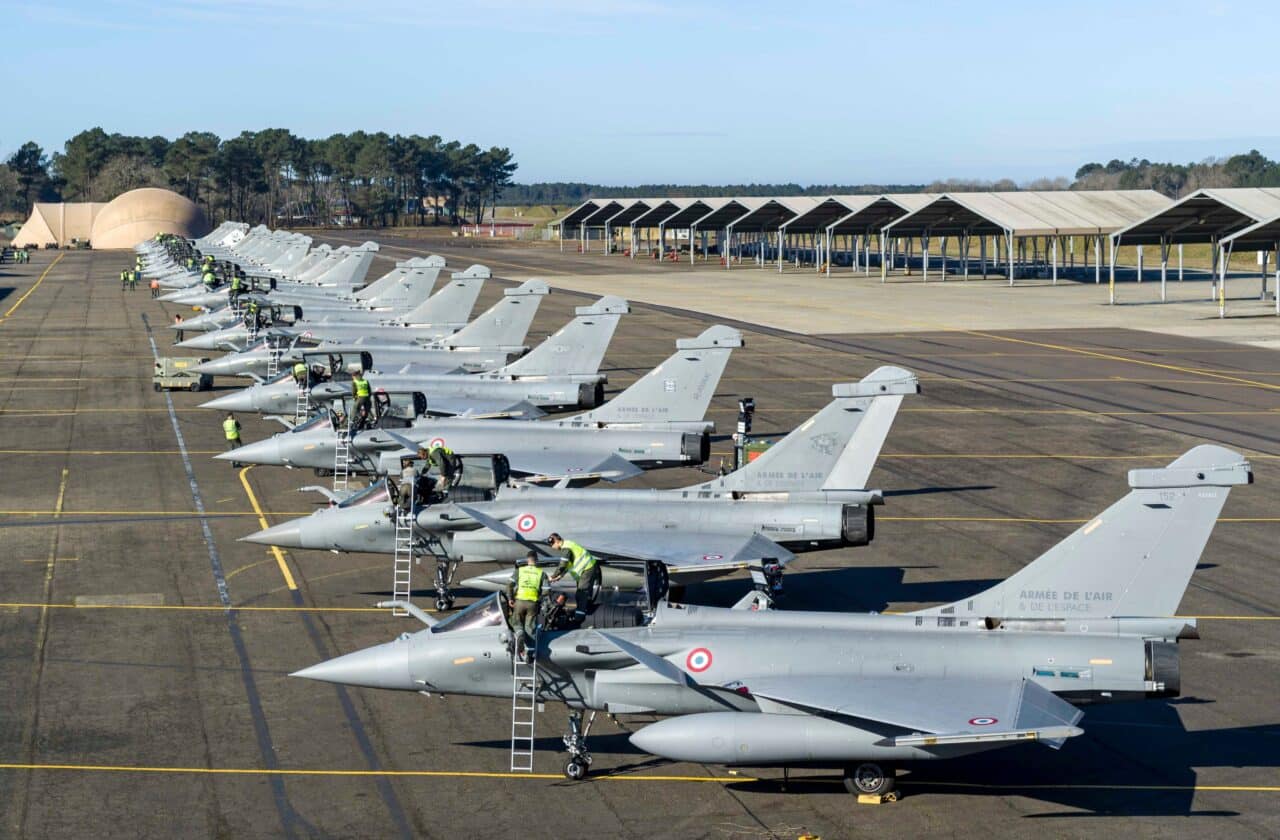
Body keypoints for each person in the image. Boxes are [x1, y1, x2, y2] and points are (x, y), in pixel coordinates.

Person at [547, 533, 600, 621]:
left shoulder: (566, 549)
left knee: (581, 593)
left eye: (551, 544)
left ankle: (579, 617)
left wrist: (553, 576)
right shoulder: (568, 545)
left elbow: (563, 565)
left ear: (556, 541)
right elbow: (569, 565)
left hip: (587, 568)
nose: (552, 547)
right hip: (585, 570)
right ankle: (586, 608)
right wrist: (559, 576)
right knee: (584, 593)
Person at [506, 551, 546, 663]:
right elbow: (547, 590)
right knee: (530, 627)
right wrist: (539, 598)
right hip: (533, 603)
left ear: (527, 560)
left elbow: (509, 585)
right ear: (536, 560)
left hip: (519, 602)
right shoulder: (541, 573)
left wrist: (510, 598)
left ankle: (519, 634)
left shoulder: (520, 571)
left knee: (516, 621)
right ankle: (530, 654)